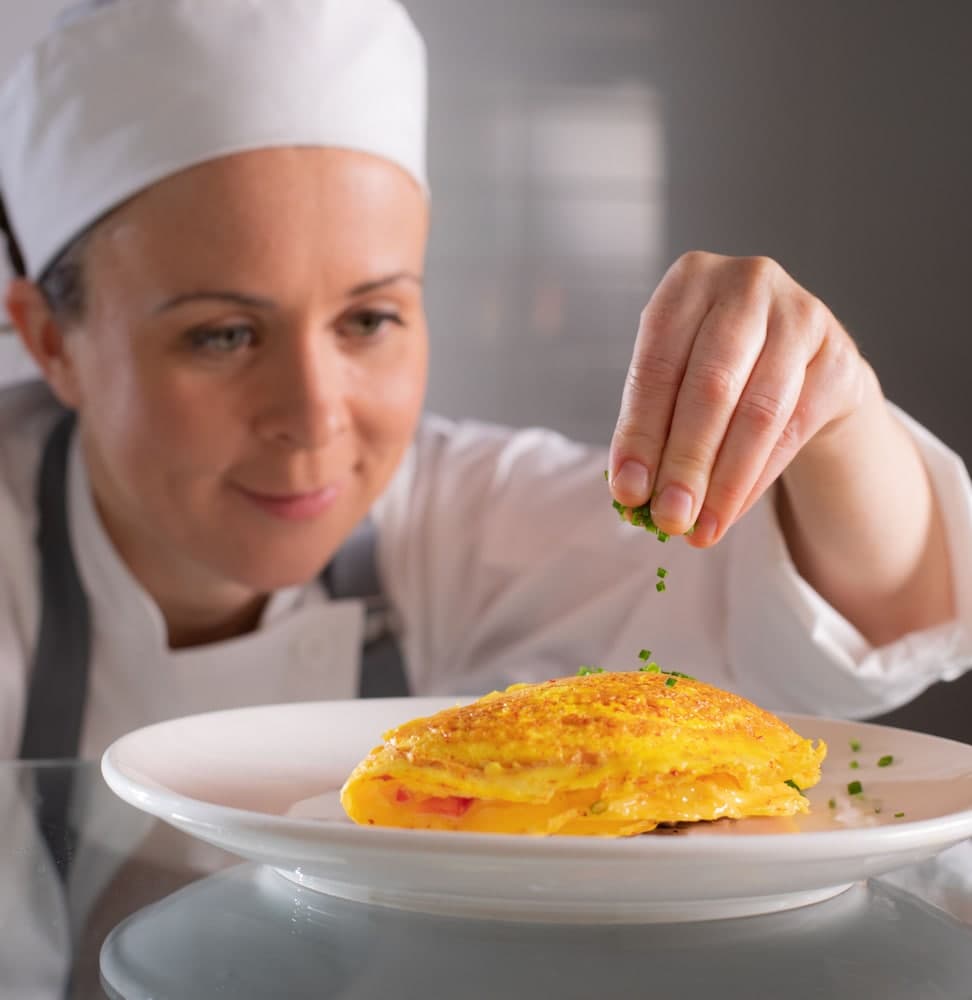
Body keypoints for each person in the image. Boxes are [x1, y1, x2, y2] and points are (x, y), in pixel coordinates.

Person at [1, 0, 970, 769]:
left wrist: (835, 410)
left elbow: (867, 620)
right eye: (223, 335)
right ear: (52, 342)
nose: (314, 418)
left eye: (369, 319)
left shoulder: (456, 522)